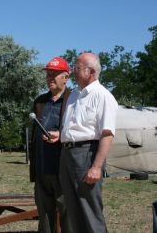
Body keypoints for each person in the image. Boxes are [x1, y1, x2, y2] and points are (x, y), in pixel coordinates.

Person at [59, 52, 118, 233]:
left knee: (90, 209)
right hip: (67, 154)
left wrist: (96, 167)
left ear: (91, 71)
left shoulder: (103, 96)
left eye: (77, 68)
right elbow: (75, 127)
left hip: (86, 155)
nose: (73, 71)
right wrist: (60, 135)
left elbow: (107, 134)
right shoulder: (74, 95)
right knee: (73, 209)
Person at [29, 57, 72, 233]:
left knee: (68, 215)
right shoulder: (39, 101)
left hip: (63, 169)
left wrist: (62, 135)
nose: (50, 78)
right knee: (45, 216)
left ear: (66, 77)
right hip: (42, 169)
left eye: (55, 74)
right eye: (48, 74)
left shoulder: (74, 100)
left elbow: (81, 130)